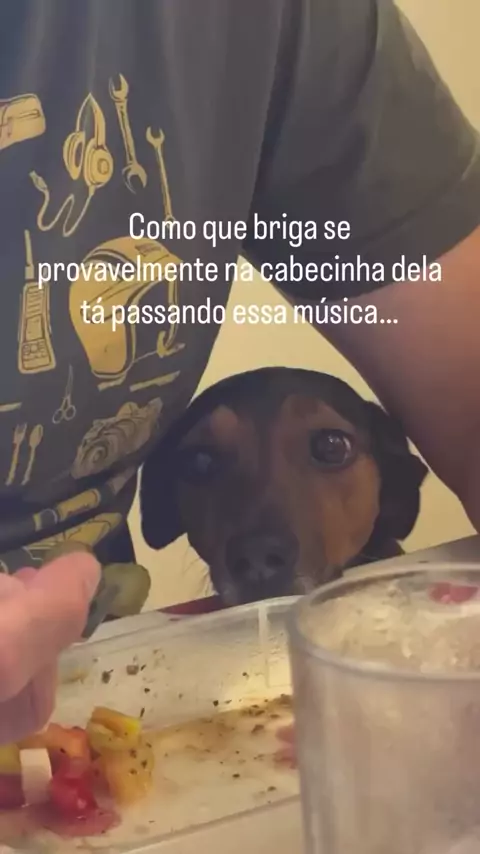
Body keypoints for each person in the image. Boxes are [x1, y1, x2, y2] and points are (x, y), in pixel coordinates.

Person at [0, 0, 479, 745]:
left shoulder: (274, 23)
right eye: (202, 463)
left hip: (90, 694)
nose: (262, 529)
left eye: (328, 450)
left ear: (395, 489)